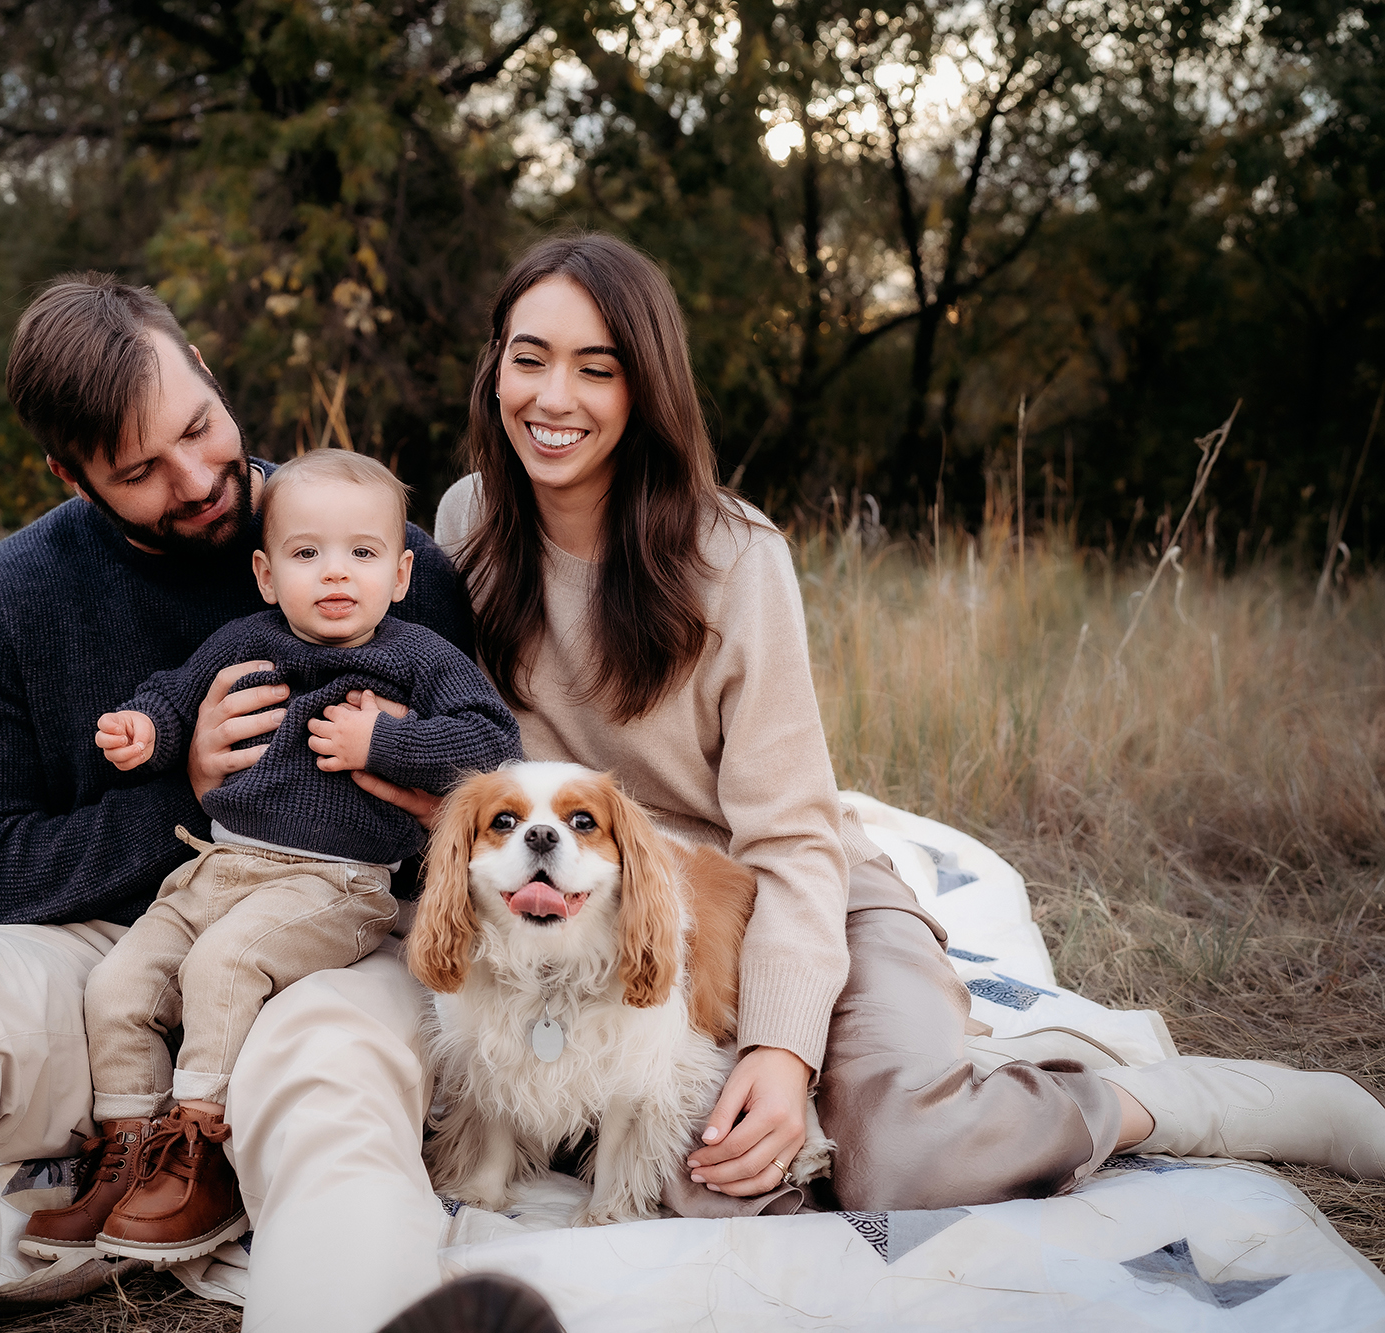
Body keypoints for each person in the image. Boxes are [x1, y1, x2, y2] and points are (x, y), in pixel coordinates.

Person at [420, 231, 1385, 1213]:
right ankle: (919, 1072)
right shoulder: (464, 528)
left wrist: (782, 1047)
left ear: (645, 388)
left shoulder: (730, 556)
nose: (550, 398)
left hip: (792, 896)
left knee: (904, 1161)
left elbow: (791, 836)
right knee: (711, 1186)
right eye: (527, 357)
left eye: (596, 369)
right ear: (493, 362)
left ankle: (1158, 1099)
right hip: (609, 929)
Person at [0, 273, 475, 1333]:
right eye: (142, 470)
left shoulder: (372, 549)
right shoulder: (10, 597)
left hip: (341, 932)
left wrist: (424, 805)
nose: (201, 477)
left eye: (200, 429)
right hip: (124, 943)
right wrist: (187, 795)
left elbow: (474, 799)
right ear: (71, 477)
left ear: (204, 370)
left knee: (325, 1060)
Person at [17, 449, 520, 1265]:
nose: (334, 573)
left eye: (362, 554)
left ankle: (202, 1146)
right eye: (306, 552)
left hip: (337, 883)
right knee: (119, 983)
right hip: (218, 868)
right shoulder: (246, 639)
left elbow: (493, 744)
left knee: (221, 965)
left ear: (399, 574)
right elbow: (177, 694)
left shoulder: (417, 656)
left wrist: (385, 740)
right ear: (264, 571)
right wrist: (146, 731)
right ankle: (129, 1153)